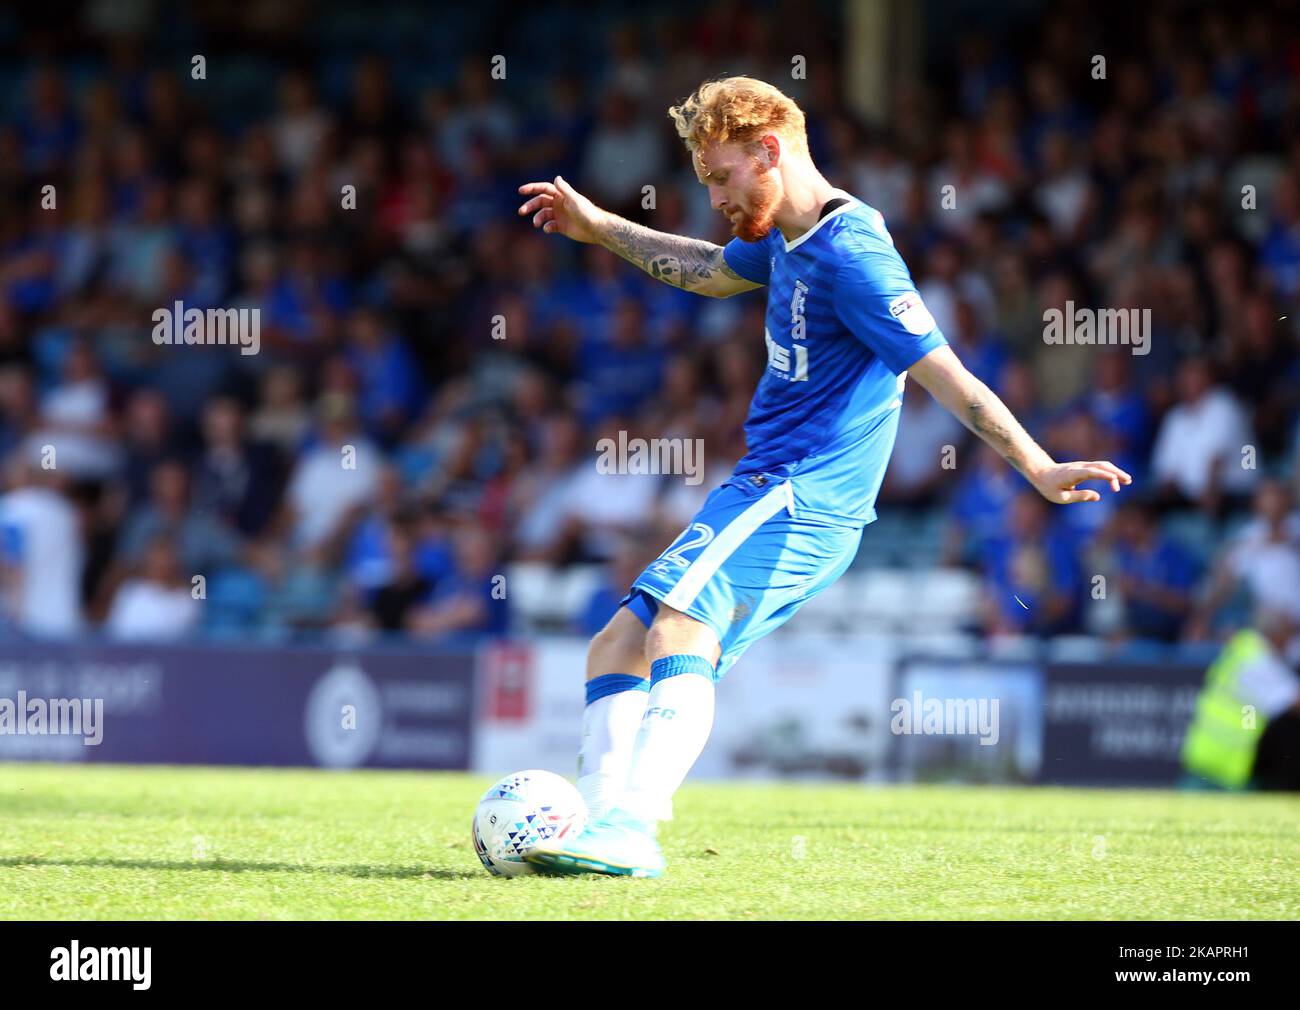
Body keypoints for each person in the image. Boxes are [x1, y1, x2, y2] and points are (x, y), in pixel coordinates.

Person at [516, 76, 1131, 878]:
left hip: (800, 491)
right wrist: (600, 229)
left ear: (769, 150)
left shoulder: (855, 253)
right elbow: (708, 270)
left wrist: (1038, 466)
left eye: (722, 177)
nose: (718, 198)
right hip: (771, 487)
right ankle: (601, 823)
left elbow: (949, 377)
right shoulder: (780, 235)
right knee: (617, 644)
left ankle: (632, 825)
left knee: (675, 626)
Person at [1181, 609, 1300, 791]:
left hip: (1206, 755)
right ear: (1277, 633)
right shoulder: (1258, 660)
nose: (1291, 641)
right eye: (1290, 633)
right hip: (1226, 764)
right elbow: (1293, 701)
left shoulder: (1243, 648)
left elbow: (1249, 710)